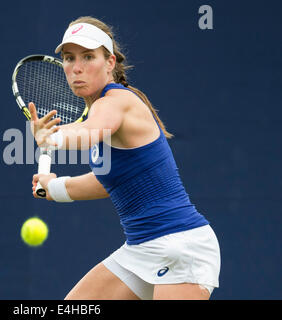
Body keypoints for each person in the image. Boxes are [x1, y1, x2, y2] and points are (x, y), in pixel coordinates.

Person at [28, 16, 221, 300]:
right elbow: (109, 181)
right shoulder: (103, 109)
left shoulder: (116, 102)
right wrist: (53, 188)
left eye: (88, 56)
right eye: (69, 58)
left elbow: (90, 132)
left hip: (181, 248)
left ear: (110, 62)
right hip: (141, 249)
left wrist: (52, 137)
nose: (76, 67)